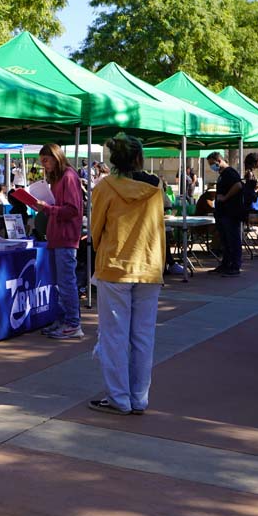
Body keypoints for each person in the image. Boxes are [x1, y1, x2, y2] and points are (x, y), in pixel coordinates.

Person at [87, 133, 165, 415]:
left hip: (115, 266)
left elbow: (96, 229)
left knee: (114, 336)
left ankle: (119, 398)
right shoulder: (157, 186)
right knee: (143, 337)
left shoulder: (105, 186)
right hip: (149, 265)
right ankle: (139, 398)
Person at [25, 143, 84, 340]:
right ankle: (63, 319)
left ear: (55, 158)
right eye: (42, 162)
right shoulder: (59, 178)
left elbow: (73, 210)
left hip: (66, 237)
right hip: (55, 236)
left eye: (46, 161)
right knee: (57, 283)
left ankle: (73, 322)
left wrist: (47, 208)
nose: (44, 166)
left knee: (66, 282)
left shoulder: (68, 176)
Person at [206, 151, 244, 277]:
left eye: (212, 163)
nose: (212, 166)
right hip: (222, 213)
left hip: (230, 212)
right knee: (225, 240)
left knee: (233, 239)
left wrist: (226, 197)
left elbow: (238, 186)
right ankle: (226, 264)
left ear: (219, 160)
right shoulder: (222, 174)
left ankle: (234, 265)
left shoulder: (230, 172)